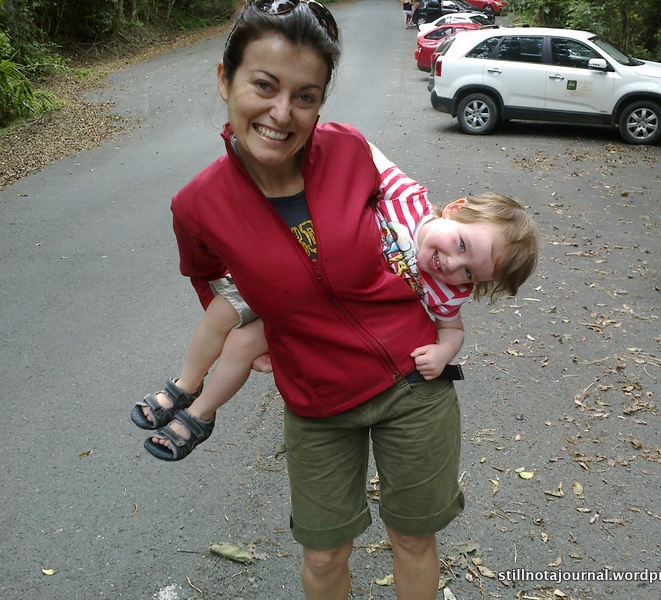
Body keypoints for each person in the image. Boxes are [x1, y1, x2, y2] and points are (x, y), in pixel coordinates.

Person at [144, 1, 539, 598]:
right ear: (225, 79)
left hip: (413, 391)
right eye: (264, 85)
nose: (282, 113)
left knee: (413, 539)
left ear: (321, 101)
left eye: (306, 95)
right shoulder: (197, 204)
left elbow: (442, 241)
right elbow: (205, 276)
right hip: (318, 404)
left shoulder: (350, 151)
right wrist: (246, 338)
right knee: (326, 554)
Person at [131, 162, 539, 460]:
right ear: (455, 208)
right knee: (223, 311)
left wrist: (444, 352)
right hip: (291, 267)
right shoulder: (407, 199)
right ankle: (186, 383)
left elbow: (453, 330)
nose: (452, 264)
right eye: (462, 245)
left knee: (241, 343)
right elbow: (360, 154)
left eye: (469, 272)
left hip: (317, 313)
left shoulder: (446, 291)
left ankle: (202, 413)